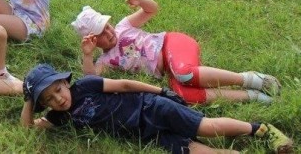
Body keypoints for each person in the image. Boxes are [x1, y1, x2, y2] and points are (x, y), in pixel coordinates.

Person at [20, 63, 294, 154]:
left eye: (57, 89)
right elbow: (28, 128)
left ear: (64, 82)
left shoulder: (86, 85)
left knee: (207, 128)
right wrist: (29, 100)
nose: (58, 99)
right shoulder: (58, 116)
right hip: (146, 134)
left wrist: (161, 91)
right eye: (48, 99)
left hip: (151, 107)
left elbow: (125, 85)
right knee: (199, 151)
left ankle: (261, 130)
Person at [72, 0, 280, 104]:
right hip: (168, 70)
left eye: (107, 26)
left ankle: (252, 79)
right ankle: (252, 96)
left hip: (173, 45)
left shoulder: (123, 27)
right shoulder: (105, 61)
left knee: (184, 74)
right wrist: (87, 55)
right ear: (93, 41)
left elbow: (152, 9)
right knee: (183, 96)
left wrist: (141, 1)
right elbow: (92, 80)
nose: (109, 33)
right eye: (101, 35)